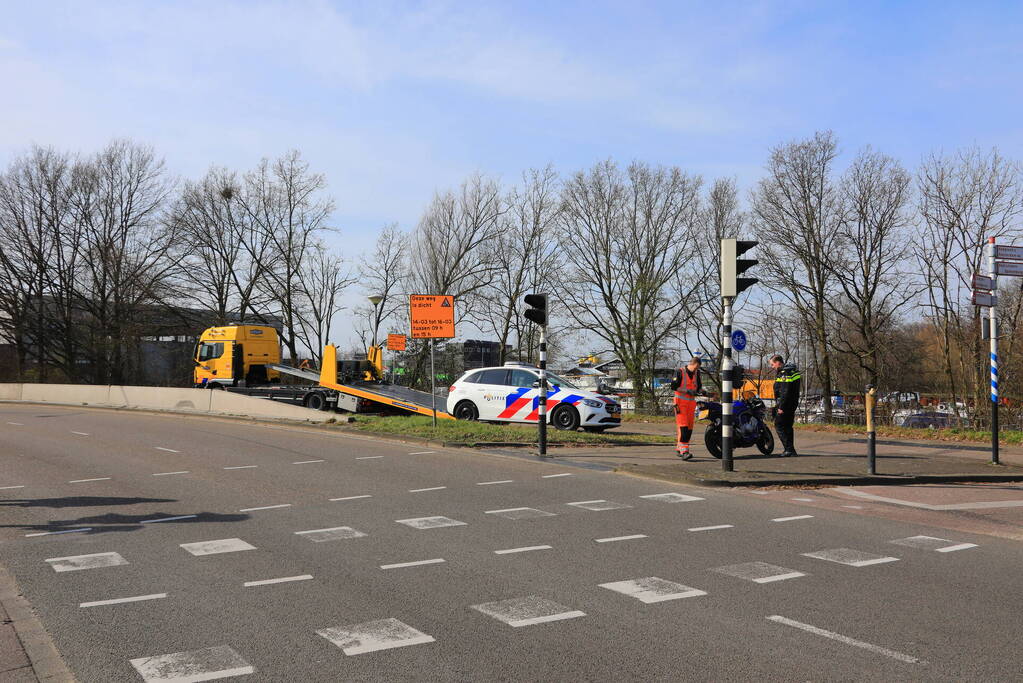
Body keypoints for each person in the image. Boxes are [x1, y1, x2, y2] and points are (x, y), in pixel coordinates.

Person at [670, 357, 702, 459]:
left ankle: (680, 448)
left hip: (691, 404)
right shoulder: (680, 372)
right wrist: (687, 391)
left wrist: (702, 392)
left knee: (689, 428)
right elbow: (673, 386)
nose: (696, 370)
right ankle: (684, 451)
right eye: (696, 368)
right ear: (695, 364)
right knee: (683, 427)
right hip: (680, 403)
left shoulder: (697, 374)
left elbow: (698, 387)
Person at [770, 354, 802, 456]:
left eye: (772, 364)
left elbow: (785, 391)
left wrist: (781, 407)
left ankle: (788, 449)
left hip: (785, 405)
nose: (772, 367)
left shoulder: (784, 373)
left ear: (778, 362)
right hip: (792, 403)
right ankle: (791, 450)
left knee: (779, 425)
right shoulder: (793, 371)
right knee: (788, 427)